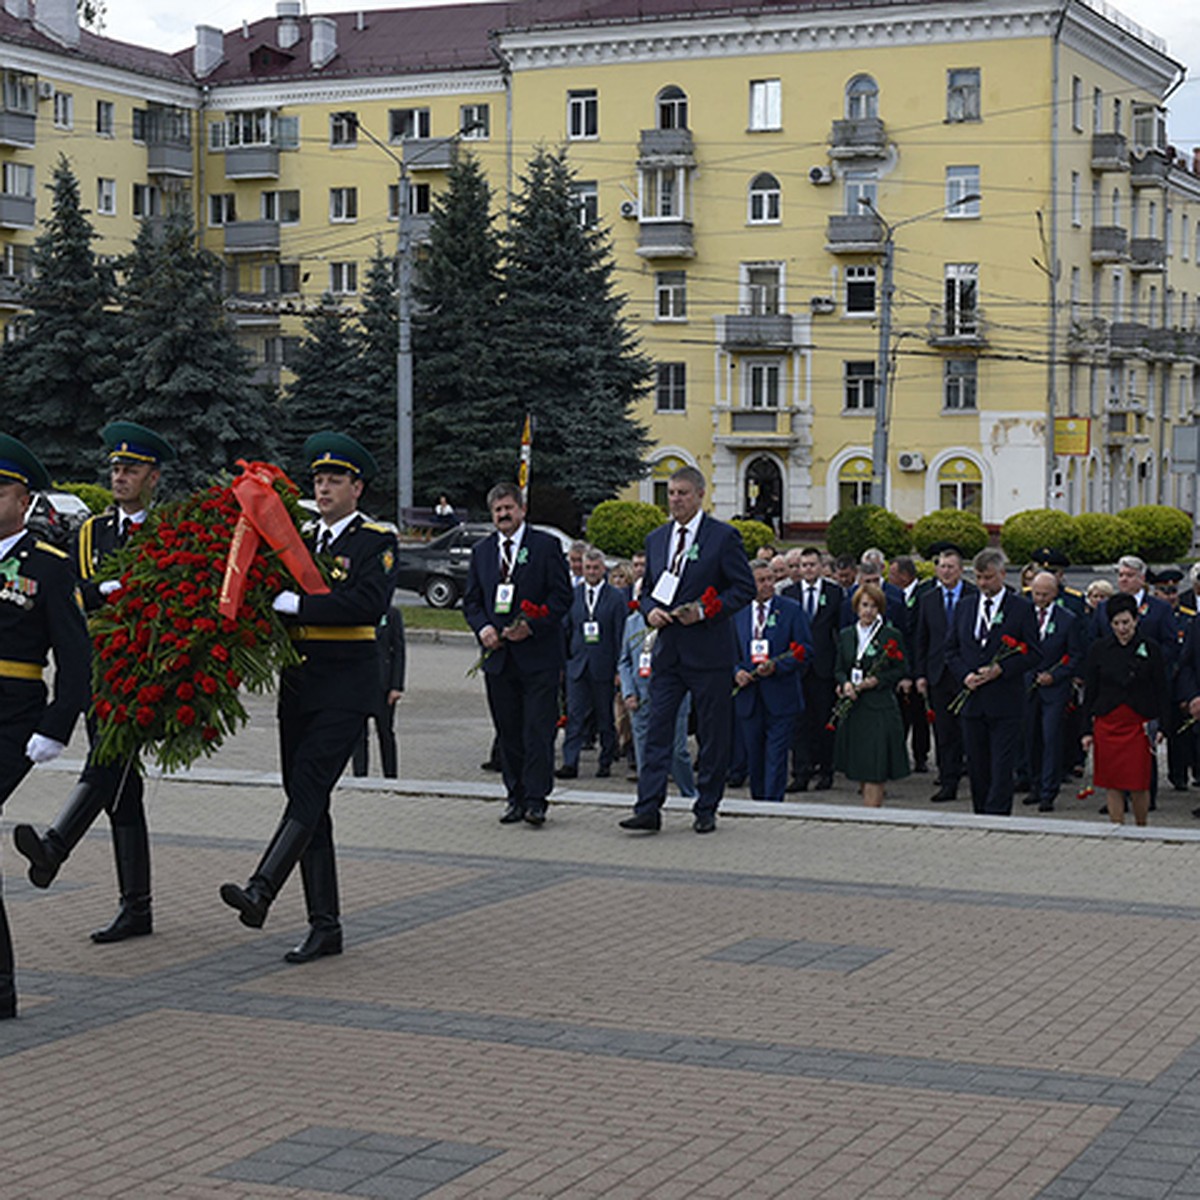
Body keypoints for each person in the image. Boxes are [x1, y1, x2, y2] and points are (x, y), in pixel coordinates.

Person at [220, 432, 396, 963]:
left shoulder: (374, 540)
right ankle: (326, 926)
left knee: (311, 788)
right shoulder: (297, 538)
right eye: (318, 480)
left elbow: (367, 604)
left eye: (335, 480)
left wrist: (300, 604)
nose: (324, 488)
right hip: (299, 684)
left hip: (346, 685)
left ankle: (262, 889)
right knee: (307, 802)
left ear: (356, 488)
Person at [14, 420, 176, 943]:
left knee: (107, 759)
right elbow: (72, 596)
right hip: (101, 666)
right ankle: (138, 907)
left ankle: (57, 845)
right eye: (115, 468)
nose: (119, 476)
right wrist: (103, 591)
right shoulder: (92, 532)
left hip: (149, 671)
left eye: (130, 469)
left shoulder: (170, 529)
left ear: (154, 476)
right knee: (123, 791)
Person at [0, 435, 91, 1019]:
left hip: (12, 716)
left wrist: (57, 725)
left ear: (24, 499)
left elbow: (77, 658)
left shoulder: (48, 566)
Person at [619, 466, 755, 834]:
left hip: (709, 652)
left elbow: (743, 589)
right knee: (657, 730)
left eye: (682, 492)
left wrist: (706, 611)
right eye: (671, 492)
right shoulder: (657, 539)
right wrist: (650, 611)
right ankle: (648, 807)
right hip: (668, 653)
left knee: (712, 735)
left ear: (699, 495)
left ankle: (706, 806)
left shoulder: (722, 538)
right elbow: (646, 590)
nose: (675, 499)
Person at [463, 483, 572, 826]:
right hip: (499, 659)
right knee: (507, 731)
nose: (503, 515)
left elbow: (561, 598)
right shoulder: (482, 551)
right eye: (497, 510)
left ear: (522, 509)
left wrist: (533, 626)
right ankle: (515, 796)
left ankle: (537, 800)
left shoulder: (545, 545)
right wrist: (483, 629)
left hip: (538, 657)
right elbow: (472, 601)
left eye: (509, 508)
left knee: (537, 731)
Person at [946, 547, 1039, 816]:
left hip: (1005, 701)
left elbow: (1034, 653)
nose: (983, 583)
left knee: (1001, 764)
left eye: (987, 577)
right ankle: (980, 812)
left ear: (1001, 574)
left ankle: (998, 815)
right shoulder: (965, 606)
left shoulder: (1020, 608)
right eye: (978, 577)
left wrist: (1001, 669)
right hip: (973, 700)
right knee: (977, 764)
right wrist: (965, 675)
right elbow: (950, 649)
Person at [1082, 592, 1168, 827]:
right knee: (1112, 782)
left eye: (1126, 623)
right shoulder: (1099, 649)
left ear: (1136, 620)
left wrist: (1163, 726)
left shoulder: (1150, 648)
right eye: (1116, 623)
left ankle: (1142, 828)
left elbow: (1162, 689)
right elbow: (1090, 691)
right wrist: (1086, 731)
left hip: (1137, 723)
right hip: (1107, 722)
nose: (1122, 628)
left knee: (1138, 782)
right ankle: (1116, 827)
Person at [732, 561, 811, 803]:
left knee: (776, 755)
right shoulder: (738, 613)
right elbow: (726, 651)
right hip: (749, 697)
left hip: (780, 695)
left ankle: (773, 804)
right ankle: (759, 802)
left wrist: (777, 666)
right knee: (754, 754)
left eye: (770, 579)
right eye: (762, 580)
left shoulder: (791, 610)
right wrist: (736, 672)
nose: (768, 585)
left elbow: (805, 650)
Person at [832, 583, 910, 806]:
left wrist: (877, 680)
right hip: (855, 707)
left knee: (875, 768)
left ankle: (872, 814)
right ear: (856, 607)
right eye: (864, 605)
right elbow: (838, 668)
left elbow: (901, 668)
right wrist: (845, 683)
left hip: (878, 707)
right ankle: (866, 811)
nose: (868, 611)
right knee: (860, 767)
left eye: (874, 607)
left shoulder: (890, 635)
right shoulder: (847, 635)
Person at [914, 545, 978, 803]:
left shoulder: (973, 595)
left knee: (970, 731)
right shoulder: (928, 598)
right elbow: (921, 639)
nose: (946, 571)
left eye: (951, 567)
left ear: (961, 570)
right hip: (938, 675)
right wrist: (920, 674)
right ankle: (947, 781)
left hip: (966, 674)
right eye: (942, 566)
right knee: (944, 732)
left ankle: (976, 780)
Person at [558, 548, 625, 779]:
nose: (592, 572)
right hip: (577, 666)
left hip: (603, 666)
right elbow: (565, 630)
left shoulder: (615, 598)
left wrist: (619, 668)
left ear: (603, 569)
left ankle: (606, 760)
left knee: (605, 717)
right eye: (588, 568)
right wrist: (563, 663)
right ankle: (570, 763)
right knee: (575, 716)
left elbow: (619, 635)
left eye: (596, 568)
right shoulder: (573, 595)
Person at [618, 598, 696, 797]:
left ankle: (688, 792)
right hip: (640, 695)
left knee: (677, 751)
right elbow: (624, 661)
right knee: (644, 750)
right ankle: (648, 796)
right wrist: (628, 692)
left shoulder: (677, 620)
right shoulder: (632, 622)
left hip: (672, 693)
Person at [781, 545, 843, 791]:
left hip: (823, 669)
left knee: (824, 722)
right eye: (803, 565)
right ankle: (800, 773)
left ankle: (826, 772)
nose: (807, 569)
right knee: (799, 724)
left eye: (812, 565)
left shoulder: (834, 593)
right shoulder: (789, 593)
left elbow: (840, 632)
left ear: (821, 566)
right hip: (797, 668)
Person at [1022, 572, 1084, 813]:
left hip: (1054, 690)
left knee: (1051, 739)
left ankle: (1049, 791)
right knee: (1030, 737)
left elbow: (1076, 654)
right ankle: (1034, 784)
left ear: (1055, 593)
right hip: (1028, 685)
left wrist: (1055, 675)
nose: (1040, 598)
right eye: (1036, 593)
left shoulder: (1067, 619)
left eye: (1045, 594)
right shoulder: (1024, 614)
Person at [350, 600, 406, 779]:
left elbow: (398, 651)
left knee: (385, 732)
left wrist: (396, 686)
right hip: (360, 684)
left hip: (384, 685)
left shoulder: (392, 614)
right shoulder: (355, 612)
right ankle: (360, 775)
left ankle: (390, 775)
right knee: (358, 735)